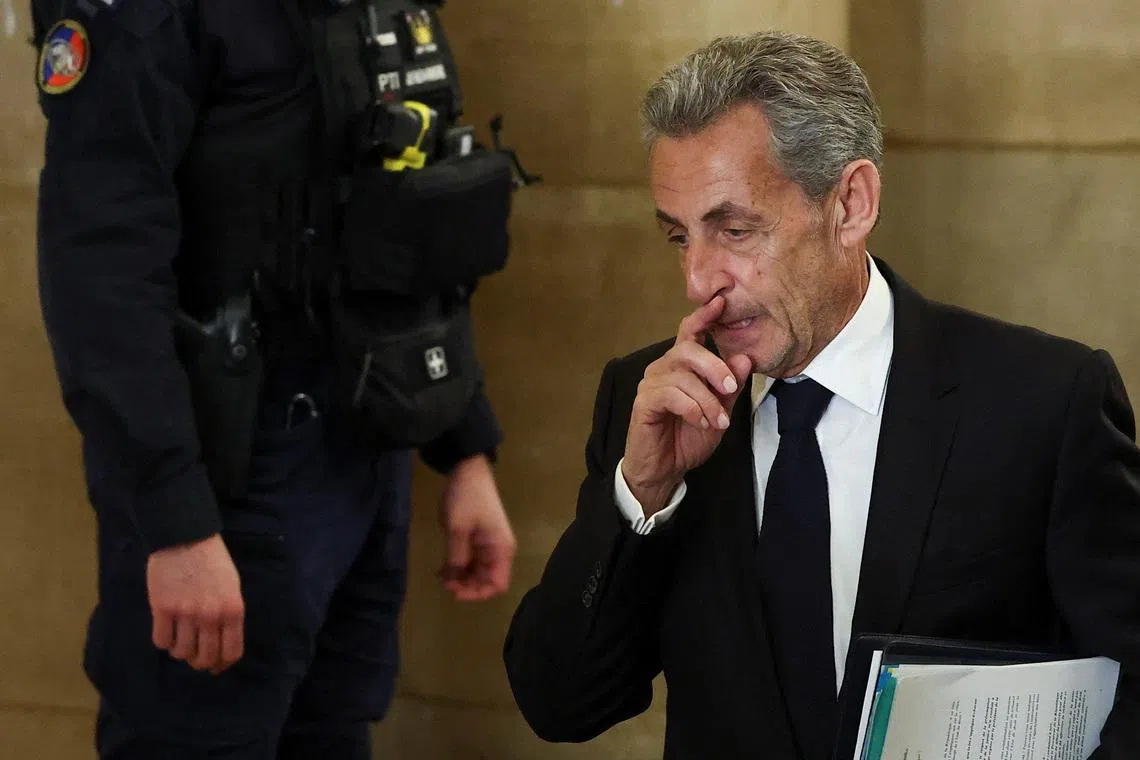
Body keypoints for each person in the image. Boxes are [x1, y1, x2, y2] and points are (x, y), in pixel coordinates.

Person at [502, 30, 1140, 760]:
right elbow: (558, 702)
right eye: (680, 238)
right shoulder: (647, 403)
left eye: (735, 229)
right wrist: (640, 494)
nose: (697, 280)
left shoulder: (1042, 403)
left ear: (851, 204)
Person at [31, 0, 521, 758]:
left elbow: (413, 210)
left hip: (367, 447)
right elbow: (101, 276)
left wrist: (463, 445)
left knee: (331, 735)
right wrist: (175, 522)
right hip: (227, 480)